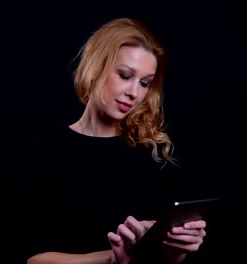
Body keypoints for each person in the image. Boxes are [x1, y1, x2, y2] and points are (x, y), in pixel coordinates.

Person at [20, 17, 208, 264]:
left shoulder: (152, 151)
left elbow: (164, 259)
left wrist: (178, 248)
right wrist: (111, 259)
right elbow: (34, 258)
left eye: (144, 83)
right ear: (96, 67)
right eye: (124, 75)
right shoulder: (48, 150)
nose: (134, 92)